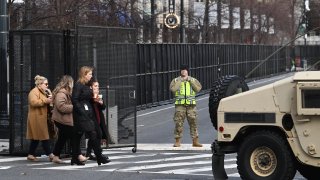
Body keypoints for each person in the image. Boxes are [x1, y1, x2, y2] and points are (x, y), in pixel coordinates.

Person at [71, 66, 111, 165]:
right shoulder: (78, 85)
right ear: (84, 74)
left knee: (78, 136)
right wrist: (81, 111)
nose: (91, 76)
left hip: (87, 113)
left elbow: (90, 98)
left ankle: (75, 158)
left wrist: (98, 99)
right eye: (90, 74)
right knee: (92, 134)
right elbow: (74, 100)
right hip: (81, 115)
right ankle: (99, 156)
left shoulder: (87, 85)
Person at [50, 75, 87, 164]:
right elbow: (61, 107)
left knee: (62, 137)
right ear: (69, 83)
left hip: (63, 119)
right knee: (74, 136)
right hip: (62, 120)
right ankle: (78, 155)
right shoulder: (61, 93)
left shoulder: (66, 92)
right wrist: (75, 108)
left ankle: (55, 155)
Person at [169, 64, 203, 147]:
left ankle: (195, 141)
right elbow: (173, 89)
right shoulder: (176, 80)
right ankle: (177, 141)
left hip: (191, 105)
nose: (183, 71)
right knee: (178, 123)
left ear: (188, 71)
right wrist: (180, 81)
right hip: (180, 105)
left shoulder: (193, 80)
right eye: (182, 70)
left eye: (185, 69)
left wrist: (190, 81)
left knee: (193, 122)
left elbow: (198, 89)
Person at [26, 75, 54, 161]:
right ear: (39, 84)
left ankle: (31, 154)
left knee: (36, 138)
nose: (47, 85)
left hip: (42, 117)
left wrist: (50, 99)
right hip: (36, 118)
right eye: (46, 84)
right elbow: (33, 102)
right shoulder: (34, 92)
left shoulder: (44, 92)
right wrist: (46, 100)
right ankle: (50, 155)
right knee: (44, 137)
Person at [85, 79, 108, 160]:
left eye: (98, 86)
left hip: (99, 118)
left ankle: (88, 153)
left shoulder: (99, 95)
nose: (97, 87)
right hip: (92, 119)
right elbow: (89, 103)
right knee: (98, 134)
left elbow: (103, 107)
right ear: (90, 87)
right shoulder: (88, 95)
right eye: (95, 86)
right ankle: (98, 153)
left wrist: (101, 102)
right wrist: (94, 97)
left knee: (94, 136)